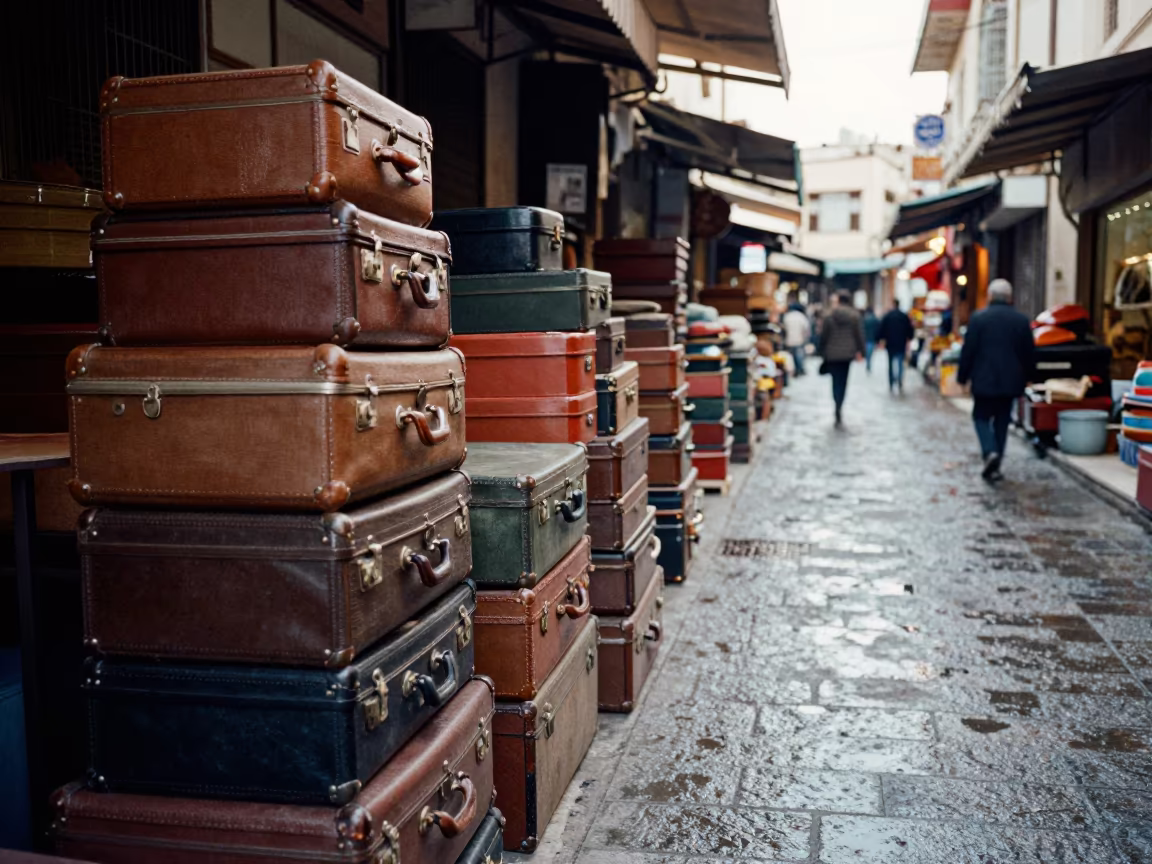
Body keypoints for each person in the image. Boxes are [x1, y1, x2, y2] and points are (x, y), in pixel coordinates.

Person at [957, 279, 1035, 481]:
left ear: (990, 296)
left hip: (984, 380)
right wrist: (1030, 377)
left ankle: (989, 451)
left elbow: (969, 351)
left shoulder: (978, 319)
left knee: (981, 417)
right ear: (1010, 298)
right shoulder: (1020, 320)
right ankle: (996, 463)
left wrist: (962, 376)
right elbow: (1029, 353)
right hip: (1011, 381)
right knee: (1002, 421)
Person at [819, 291, 865, 427]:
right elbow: (859, 335)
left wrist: (821, 351)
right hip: (847, 354)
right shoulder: (854, 316)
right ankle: (840, 403)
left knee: (835, 381)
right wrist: (861, 351)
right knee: (843, 381)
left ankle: (836, 402)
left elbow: (824, 336)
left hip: (832, 353)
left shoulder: (829, 315)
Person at [875, 299, 916, 393]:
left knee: (890, 363)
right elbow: (909, 328)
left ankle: (891, 381)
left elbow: (881, 328)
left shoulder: (888, 316)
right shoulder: (904, 316)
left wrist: (879, 339)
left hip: (890, 343)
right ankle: (900, 380)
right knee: (900, 362)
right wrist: (909, 337)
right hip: (901, 342)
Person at [782, 299, 811, 377]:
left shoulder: (787, 316)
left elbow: (784, 328)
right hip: (799, 339)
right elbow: (806, 328)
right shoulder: (801, 316)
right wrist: (806, 338)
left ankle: (795, 370)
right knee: (799, 354)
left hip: (789, 339)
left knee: (792, 355)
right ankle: (800, 369)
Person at [862, 308, 879, 373]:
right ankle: (868, 363)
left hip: (866, 338)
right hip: (872, 339)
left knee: (868, 352)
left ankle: (868, 363)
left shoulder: (865, 319)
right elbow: (878, 330)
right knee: (870, 352)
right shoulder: (875, 320)